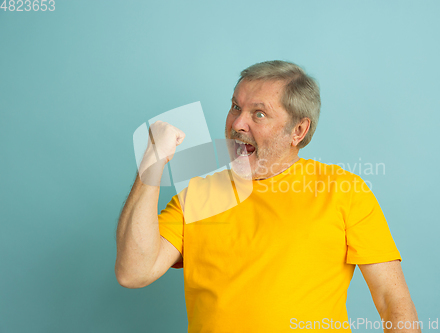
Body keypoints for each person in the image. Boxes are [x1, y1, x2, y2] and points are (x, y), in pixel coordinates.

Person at [115, 60, 421, 332]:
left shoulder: (343, 190)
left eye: (258, 114)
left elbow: (392, 301)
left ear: (298, 131)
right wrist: (152, 164)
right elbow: (133, 273)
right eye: (236, 106)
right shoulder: (198, 195)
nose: (236, 124)